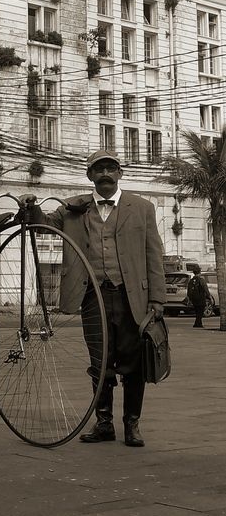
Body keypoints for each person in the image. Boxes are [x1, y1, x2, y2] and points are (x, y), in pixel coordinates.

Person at [39, 149, 166, 448]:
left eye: (111, 168)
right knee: (100, 360)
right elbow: (43, 222)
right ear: (90, 175)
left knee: (134, 362)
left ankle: (132, 424)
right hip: (92, 296)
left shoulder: (143, 207)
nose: (105, 174)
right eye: (99, 169)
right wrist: (30, 208)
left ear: (120, 173)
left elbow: (154, 254)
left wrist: (157, 299)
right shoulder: (73, 209)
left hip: (132, 297)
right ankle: (104, 422)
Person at [186, 263, 211, 328]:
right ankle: (197, 323)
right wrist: (209, 296)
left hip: (194, 298)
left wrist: (189, 298)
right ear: (199, 272)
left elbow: (188, 290)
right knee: (200, 311)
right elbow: (205, 289)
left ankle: (198, 323)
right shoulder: (201, 280)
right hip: (201, 297)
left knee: (197, 311)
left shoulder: (191, 281)